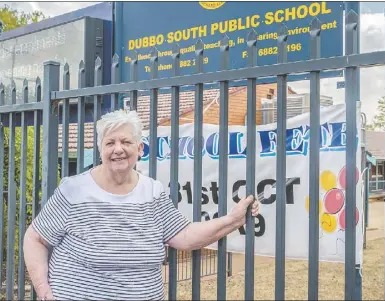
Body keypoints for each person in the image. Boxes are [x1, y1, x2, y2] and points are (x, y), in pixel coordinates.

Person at [23, 109, 259, 300]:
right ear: (100, 149)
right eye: (110, 142)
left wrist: (233, 220)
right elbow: (35, 237)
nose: (118, 149)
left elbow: (184, 235)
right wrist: (44, 291)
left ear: (140, 149)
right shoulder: (73, 191)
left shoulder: (152, 192)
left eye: (126, 141)